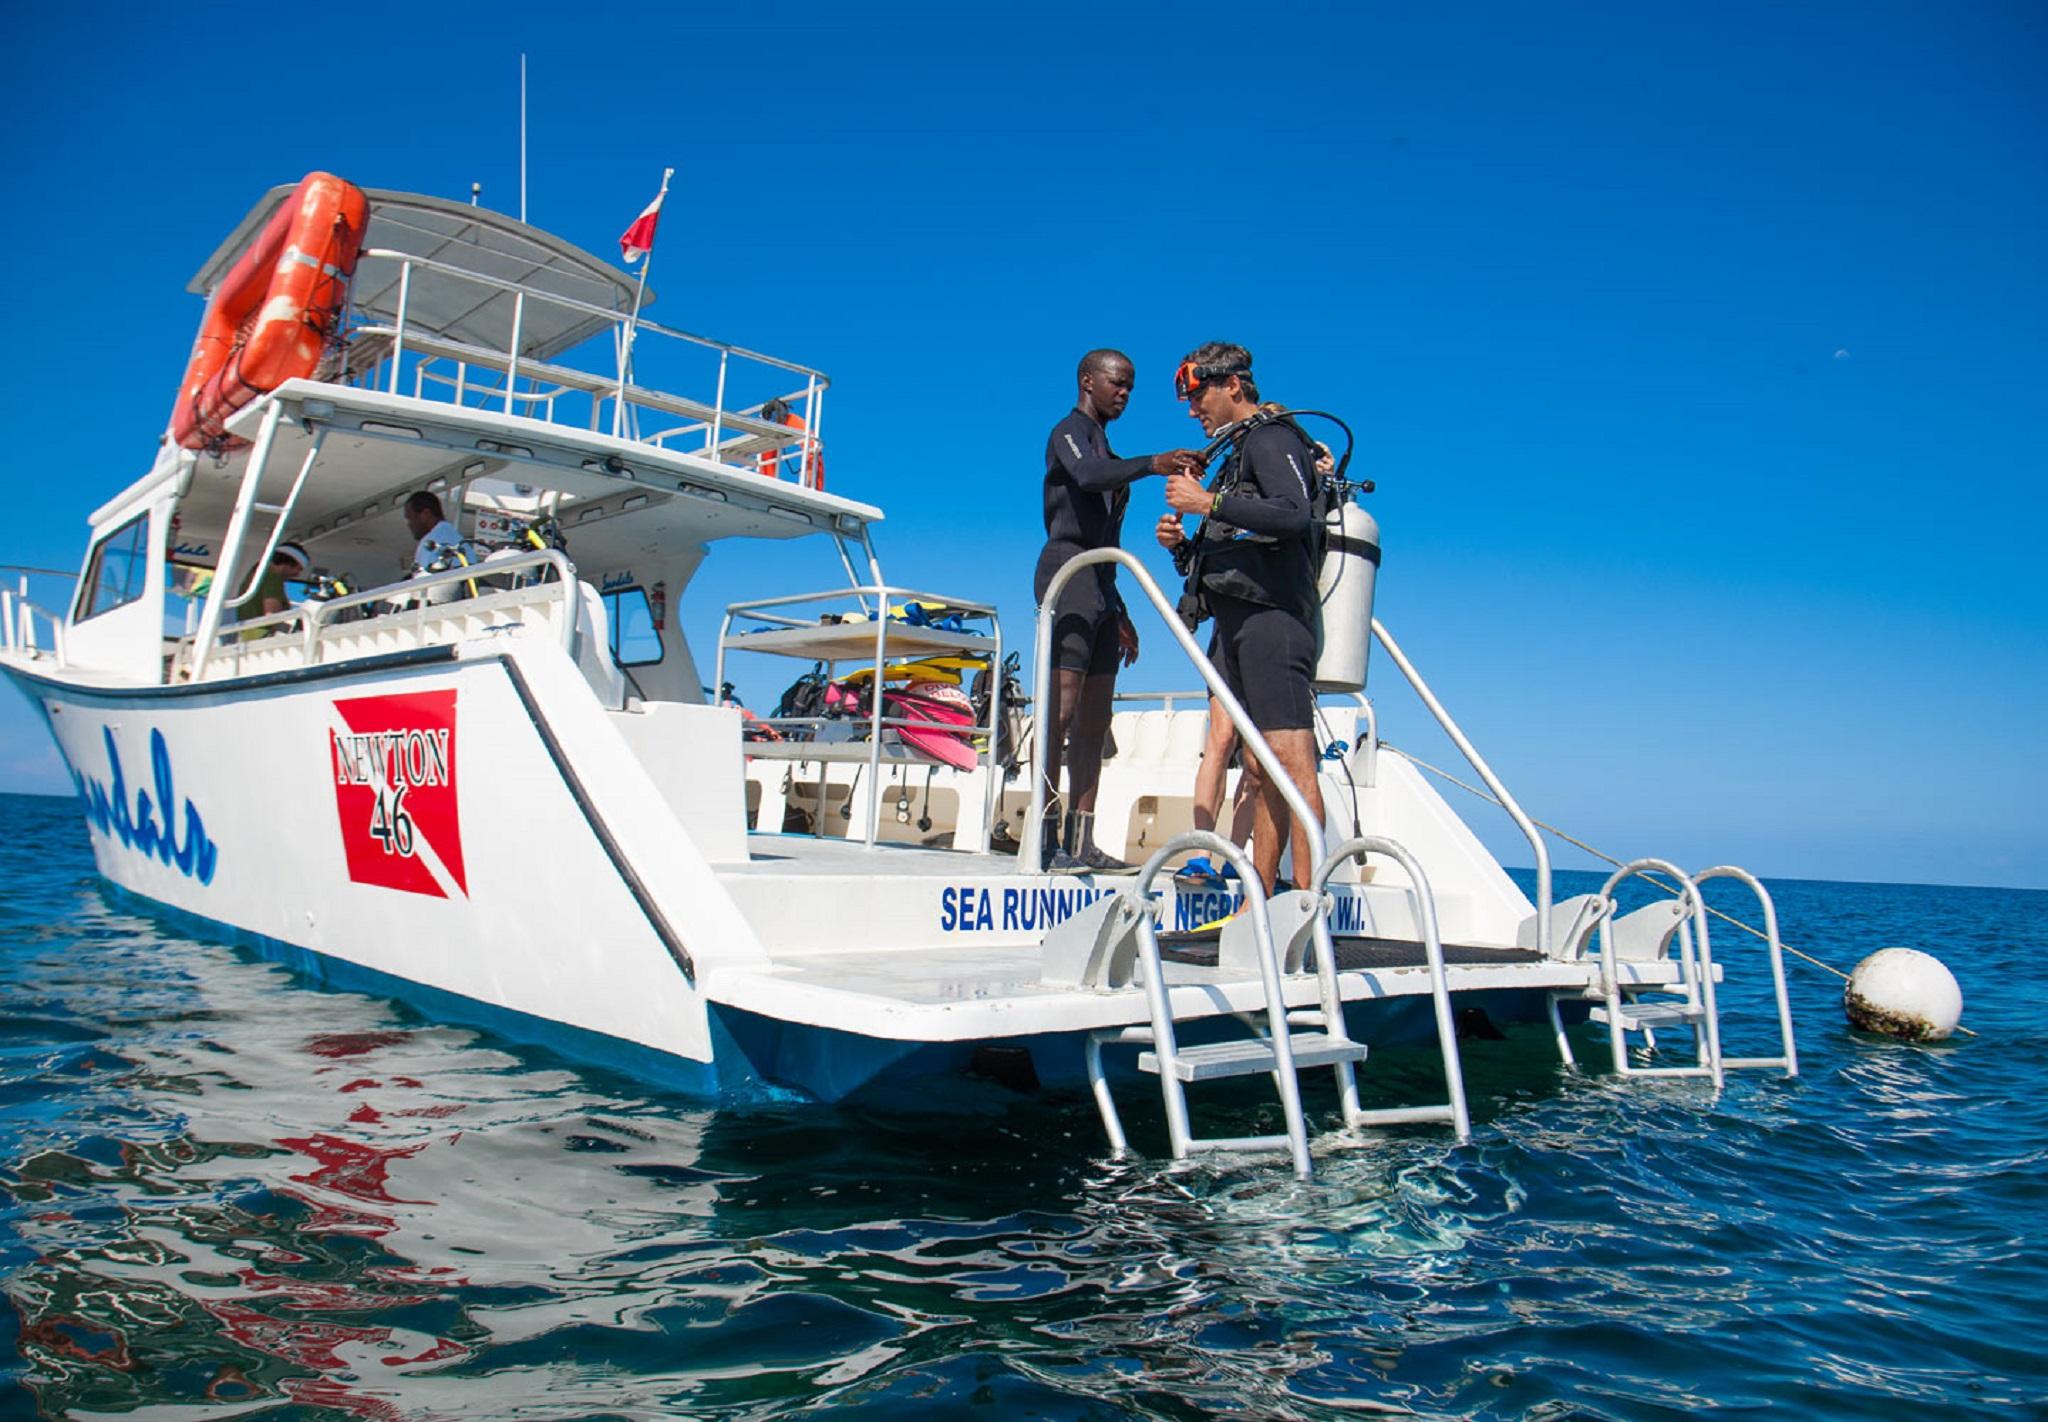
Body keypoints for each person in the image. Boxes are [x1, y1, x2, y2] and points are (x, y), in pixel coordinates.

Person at [1155, 342, 1326, 898]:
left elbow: (1292, 514)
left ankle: (1306, 903)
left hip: (1273, 619)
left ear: (1233, 386)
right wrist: (1183, 548)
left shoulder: (1272, 438)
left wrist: (1208, 505)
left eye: (1197, 393)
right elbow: (1237, 546)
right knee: (1257, 768)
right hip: (1237, 623)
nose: (1192, 408)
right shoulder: (1236, 454)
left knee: (1291, 764)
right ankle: (1268, 899)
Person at [1035, 349, 1200, 872]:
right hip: (1066, 571)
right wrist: (1153, 464)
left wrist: (1120, 610)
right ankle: (1043, 840)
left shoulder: (1105, 445)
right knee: (1059, 713)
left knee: (1094, 721)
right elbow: (1087, 475)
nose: (1125, 393)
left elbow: (1108, 536)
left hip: (1100, 583)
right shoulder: (1068, 431)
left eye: (1131, 386)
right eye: (1117, 383)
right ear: (1088, 380)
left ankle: (1081, 841)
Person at [237, 542, 311, 641]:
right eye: (298, 569)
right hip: (259, 636)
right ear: (289, 563)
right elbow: (272, 615)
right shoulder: (272, 578)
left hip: (246, 634)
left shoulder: (256, 575)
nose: (297, 574)